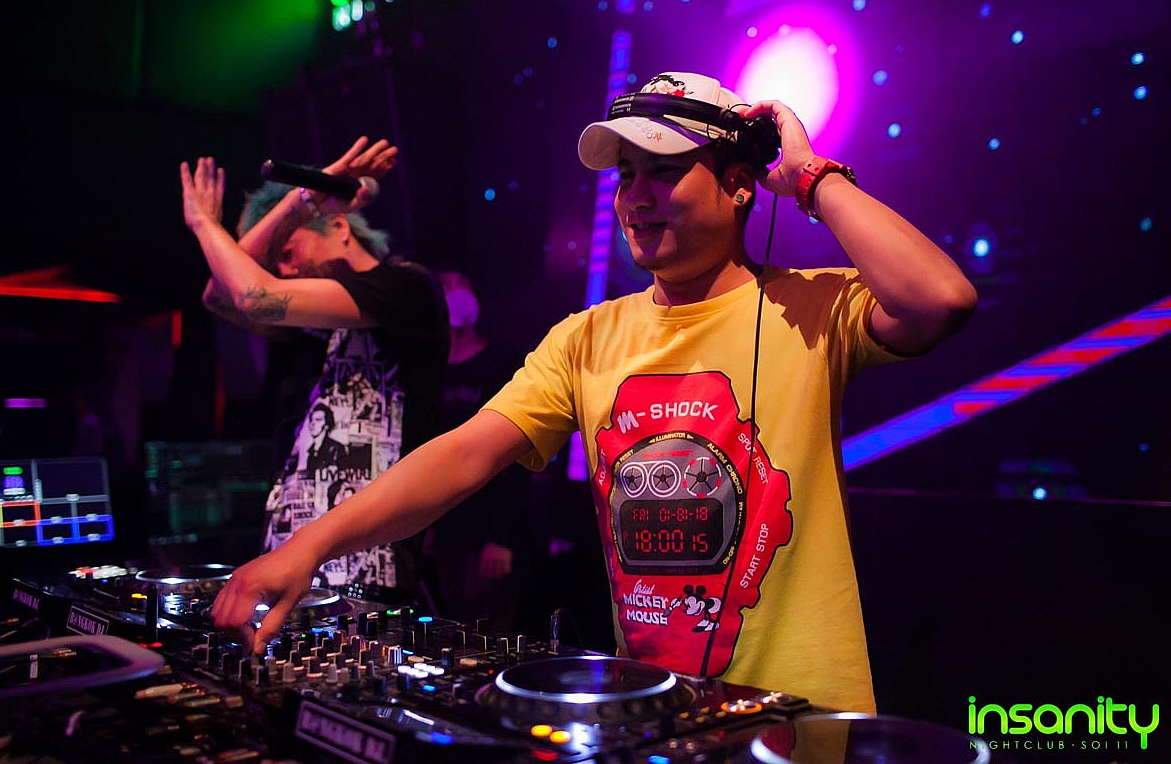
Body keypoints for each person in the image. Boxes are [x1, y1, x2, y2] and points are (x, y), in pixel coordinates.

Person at [210, 72, 977, 713]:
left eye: (664, 170)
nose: (636, 196)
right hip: (655, 715)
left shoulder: (811, 306)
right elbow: (461, 456)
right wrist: (307, 547)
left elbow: (940, 299)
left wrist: (809, 176)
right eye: (626, 175)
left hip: (803, 720)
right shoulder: (586, 337)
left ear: (740, 185)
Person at [179, 137, 449, 599]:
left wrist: (205, 224)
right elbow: (220, 296)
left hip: (368, 575)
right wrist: (301, 202)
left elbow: (252, 296)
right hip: (287, 570)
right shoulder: (310, 325)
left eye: (288, 253)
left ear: (339, 227)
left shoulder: (406, 288)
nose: (282, 273)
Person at [422, 271, 529, 627]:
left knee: (489, 633)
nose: (452, 293)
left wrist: (502, 538)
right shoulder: (432, 371)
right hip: (446, 530)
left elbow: (518, 456)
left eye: (459, 284)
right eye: (444, 286)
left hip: (487, 530)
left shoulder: (500, 363)